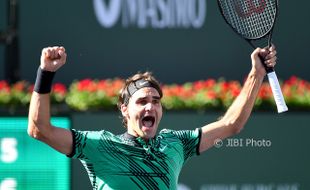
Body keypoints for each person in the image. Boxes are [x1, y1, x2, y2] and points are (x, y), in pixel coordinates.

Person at [28, 45, 277, 190]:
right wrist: (46, 73)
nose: (150, 107)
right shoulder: (99, 146)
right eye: (142, 101)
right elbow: (39, 129)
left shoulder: (176, 144)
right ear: (124, 110)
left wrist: (257, 73)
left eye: (156, 102)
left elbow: (231, 125)